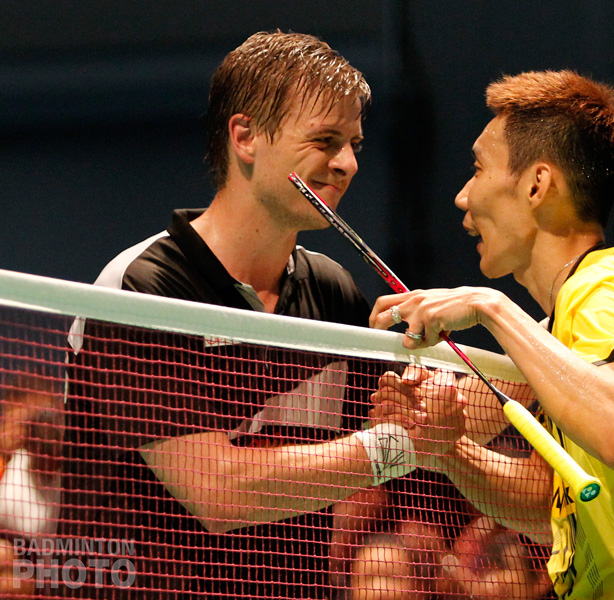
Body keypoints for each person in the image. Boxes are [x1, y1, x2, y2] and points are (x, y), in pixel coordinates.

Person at [59, 30, 433, 599]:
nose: (348, 163)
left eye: (354, 143)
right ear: (246, 137)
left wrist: (495, 339)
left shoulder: (332, 292)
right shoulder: (144, 288)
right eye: (325, 140)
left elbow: (422, 431)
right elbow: (220, 494)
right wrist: (394, 446)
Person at [369, 69, 614, 598]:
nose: (462, 196)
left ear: (537, 185)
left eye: (477, 169)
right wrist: (445, 446)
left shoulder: (603, 289)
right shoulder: (571, 325)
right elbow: (549, 507)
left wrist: (491, 307)